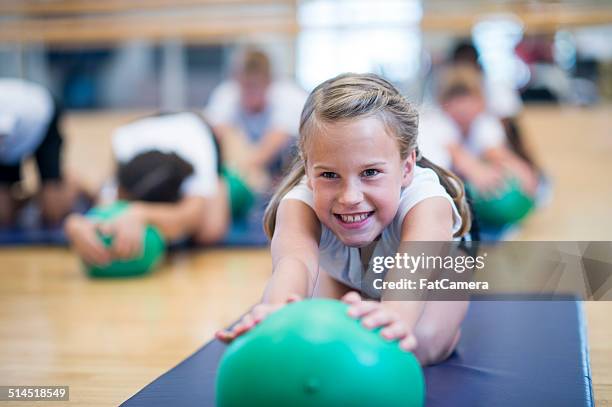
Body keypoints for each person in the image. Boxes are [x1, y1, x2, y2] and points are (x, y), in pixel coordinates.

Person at [217, 73, 472, 366]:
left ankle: (444, 336)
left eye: (370, 173)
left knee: (409, 348)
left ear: (406, 168)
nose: (350, 197)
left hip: (431, 282)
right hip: (345, 277)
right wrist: (276, 312)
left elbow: (411, 276)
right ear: (309, 169)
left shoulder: (427, 203)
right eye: (329, 175)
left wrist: (394, 316)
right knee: (319, 347)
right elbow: (293, 264)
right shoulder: (300, 204)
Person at [65, 112, 231, 266]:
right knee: (108, 204)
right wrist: (78, 224)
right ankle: (79, 184)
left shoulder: (196, 155)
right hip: (141, 127)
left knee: (210, 230)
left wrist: (141, 213)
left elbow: (189, 216)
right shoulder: (124, 143)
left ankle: (225, 176)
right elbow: (107, 208)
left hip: (199, 127)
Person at [419, 65, 539, 197]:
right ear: (442, 102)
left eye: (469, 98)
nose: (463, 106)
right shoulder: (438, 122)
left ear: (481, 101)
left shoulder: (484, 123)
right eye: (455, 99)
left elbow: (496, 152)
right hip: (429, 183)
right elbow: (457, 155)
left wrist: (521, 171)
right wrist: (478, 171)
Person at [204, 48, 307, 180]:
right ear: (236, 81)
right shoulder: (227, 93)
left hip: (287, 163)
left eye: (254, 86)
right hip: (247, 160)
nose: (249, 92)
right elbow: (218, 133)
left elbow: (264, 152)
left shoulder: (289, 97)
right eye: (244, 86)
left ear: (269, 82)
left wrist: (243, 166)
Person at [0, 78, 77, 227]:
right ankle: (36, 195)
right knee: (4, 215)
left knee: (53, 212)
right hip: (10, 143)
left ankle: (75, 183)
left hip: (42, 117)